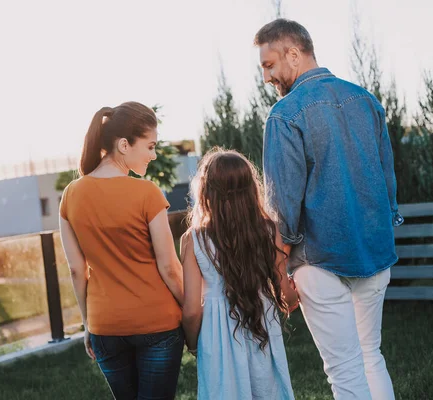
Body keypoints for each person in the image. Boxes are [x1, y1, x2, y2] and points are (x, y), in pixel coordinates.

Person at [255, 18, 403, 400]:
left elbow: (281, 208)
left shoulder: (284, 116)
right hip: (374, 253)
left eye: (269, 65)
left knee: (345, 369)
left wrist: (279, 274)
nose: (267, 77)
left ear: (293, 53)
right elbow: (388, 182)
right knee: (372, 355)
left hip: (318, 261)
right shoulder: (366, 101)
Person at [59, 101, 185, 400]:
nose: (154, 155)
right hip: (158, 324)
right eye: (150, 146)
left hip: (105, 326)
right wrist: (191, 311)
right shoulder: (147, 192)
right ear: (124, 145)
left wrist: (89, 323)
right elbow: (169, 267)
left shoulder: (71, 195)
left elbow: (77, 270)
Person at [180, 148, 298, 400]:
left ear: (206, 191)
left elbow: (191, 309)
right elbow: (284, 293)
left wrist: (192, 343)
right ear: (250, 189)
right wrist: (293, 298)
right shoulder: (268, 230)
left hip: (216, 333)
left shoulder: (194, 240)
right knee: (266, 388)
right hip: (260, 323)